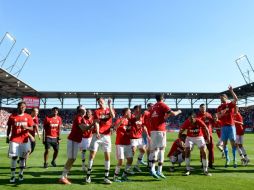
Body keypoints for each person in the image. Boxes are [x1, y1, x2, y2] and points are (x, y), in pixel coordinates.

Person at [149, 94, 181, 179]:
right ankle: (158, 170)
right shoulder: (163, 105)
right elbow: (173, 113)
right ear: (162, 98)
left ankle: (153, 169)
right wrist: (179, 111)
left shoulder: (153, 107)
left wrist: (164, 118)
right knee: (161, 150)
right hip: (160, 130)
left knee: (155, 150)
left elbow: (160, 117)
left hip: (153, 130)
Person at [59, 105, 92, 185]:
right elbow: (84, 128)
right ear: (81, 111)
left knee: (72, 159)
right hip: (73, 140)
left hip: (75, 140)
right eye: (84, 109)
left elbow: (85, 128)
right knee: (71, 158)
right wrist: (92, 124)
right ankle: (63, 177)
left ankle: (65, 175)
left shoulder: (80, 118)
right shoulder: (79, 118)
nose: (85, 110)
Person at [86, 97, 115, 184]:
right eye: (99, 102)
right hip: (97, 135)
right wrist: (98, 132)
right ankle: (88, 176)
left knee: (107, 156)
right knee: (92, 155)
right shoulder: (96, 111)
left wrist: (110, 105)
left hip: (107, 136)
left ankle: (106, 177)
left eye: (101, 101)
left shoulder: (110, 109)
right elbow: (97, 122)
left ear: (104, 102)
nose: (100, 103)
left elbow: (113, 116)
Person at [6, 101, 34, 183]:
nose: (22, 108)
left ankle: (21, 174)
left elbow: (32, 128)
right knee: (14, 157)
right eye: (21, 106)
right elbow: (8, 128)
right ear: (18, 107)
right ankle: (12, 175)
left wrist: (26, 127)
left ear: (25, 108)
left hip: (24, 140)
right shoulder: (12, 116)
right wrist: (7, 136)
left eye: (24, 107)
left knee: (22, 158)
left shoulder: (28, 116)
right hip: (14, 140)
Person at [217, 85, 238, 168]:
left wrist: (231, 91)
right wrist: (222, 113)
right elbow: (218, 116)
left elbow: (236, 99)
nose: (221, 99)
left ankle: (234, 160)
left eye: (222, 98)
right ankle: (227, 159)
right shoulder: (219, 107)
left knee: (233, 144)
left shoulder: (230, 105)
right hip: (223, 127)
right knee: (224, 144)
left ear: (226, 98)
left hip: (231, 126)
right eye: (220, 98)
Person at [113, 108, 133, 182]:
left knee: (130, 160)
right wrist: (121, 122)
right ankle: (115, 177)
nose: (131, 113)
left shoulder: (130, 121)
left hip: (128, 143)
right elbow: (115, 128)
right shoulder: (120, 119)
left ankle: (124, 176)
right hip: (120, 143)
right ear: (126, 113)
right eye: (129, 112)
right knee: (121, 160)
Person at [129, 105, 149, 173]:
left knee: (143, 150)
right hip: (133, 138)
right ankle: (129, 168)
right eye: (137, 110)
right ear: (134, 110)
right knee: (132, 153)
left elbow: (143, 126)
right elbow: (136, 118)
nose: (138, 111)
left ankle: (137, 166)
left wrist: (147, 135)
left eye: (139, 110)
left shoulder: (141, 117)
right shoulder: (132, 116)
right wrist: (140, 112)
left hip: (140, 138)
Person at [197, 104, 214, 169]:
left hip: (209, 135)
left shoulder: (209, 115)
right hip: (201, 135)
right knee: (202, 150)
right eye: (201, 108)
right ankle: (203, 163)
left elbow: (213, 122)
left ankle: (211, 164)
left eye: (204, 108)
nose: (203, 109)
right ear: (199, 109)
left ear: (206, 108)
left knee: (211, 149)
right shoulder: (198, 116)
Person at [143, 103, 153, 167]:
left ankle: (152, 162)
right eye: (151, 106)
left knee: (154, 149)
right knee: (149, 149)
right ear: (148, 107)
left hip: (154, 133)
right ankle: (149, 162)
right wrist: (146, 134)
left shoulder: (154, 113)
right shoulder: (145, 113)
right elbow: (143, 124)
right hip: (147, 134)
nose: (152, 108)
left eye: (153, 106)